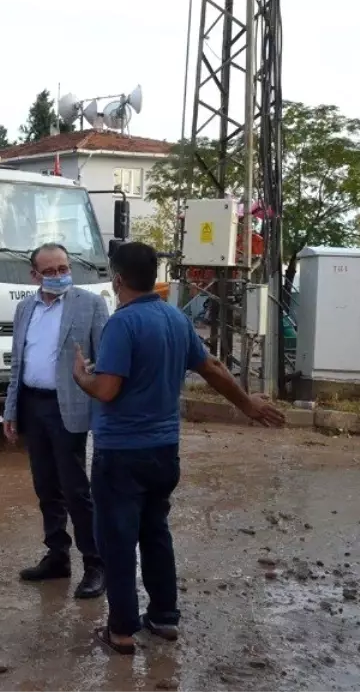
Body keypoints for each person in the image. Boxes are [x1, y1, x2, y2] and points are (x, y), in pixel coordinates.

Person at [72, 241, 286, 655]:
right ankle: (164, 618)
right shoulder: (175, 319)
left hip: (121, 454)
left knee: (116, 540)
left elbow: (108, 388)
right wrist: (248, 405)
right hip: (164, 450)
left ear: (117, 280)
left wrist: (83, 377)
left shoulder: (123, 324)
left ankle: (120, 631)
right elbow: (213, 367)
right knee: (155, 532)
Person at [4, 242, 109, 599]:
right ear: (34, 275)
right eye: (49, 271)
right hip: (33, 405)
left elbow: (105, 358)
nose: (59, 276)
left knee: (75, 488)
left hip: (68, 407)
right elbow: (18, 362)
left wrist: (93, 374)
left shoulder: (90, 305)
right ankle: (57, 555)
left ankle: (95, 564)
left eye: (63, 268)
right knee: (45, 485)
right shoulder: (25, 308)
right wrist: (10, 410)